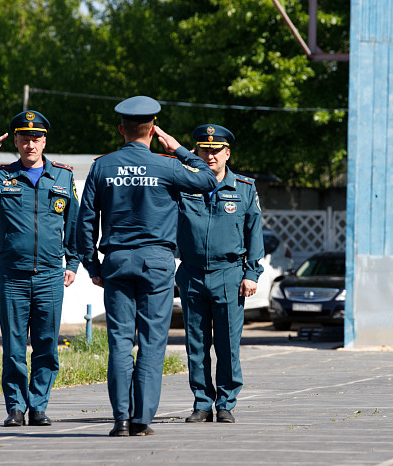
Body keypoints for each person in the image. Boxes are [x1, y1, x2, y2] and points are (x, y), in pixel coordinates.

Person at [76, 96, 218, 437]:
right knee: (152, 341)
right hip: (156, 262)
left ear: (121, 129)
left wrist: (91, 264)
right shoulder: (168, 165)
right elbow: (208, 179)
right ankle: (142, 420)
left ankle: (121, 419)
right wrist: (181, 148)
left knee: (120, 342)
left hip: (117, 260)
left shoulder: (102, 166)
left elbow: (84, 222)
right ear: (153, 131)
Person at [0, 110, 79, 427]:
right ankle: (16, 408)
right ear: (16, 141)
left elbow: (73, 224)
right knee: (14, 347)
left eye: (36, 138)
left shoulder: (62, 177)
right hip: (13, 277)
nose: (30, 144)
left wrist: (72, 263)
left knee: (47, 347)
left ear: (44, 140)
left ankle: (39, 407)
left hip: (50, 275)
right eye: (24, 138)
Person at [176, 124, 265, 423]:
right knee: (196, 343)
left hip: (229, 274)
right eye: (204, 150)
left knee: (227, 344)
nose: (210, 156)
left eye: (216, 151)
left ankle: (226, 402)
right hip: (192, 273)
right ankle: (202, 402)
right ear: (195, 153)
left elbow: (255, 234)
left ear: (228, 153)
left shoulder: (244, 187)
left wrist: (252, 273)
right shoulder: (183, 184)